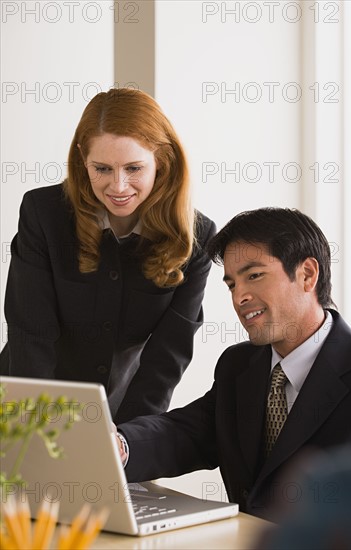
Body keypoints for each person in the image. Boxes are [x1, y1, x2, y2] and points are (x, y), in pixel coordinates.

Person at [116, 207, 351, 520]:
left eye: (254, 275)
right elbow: (191, 433)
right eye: (232, 284)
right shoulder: (238, 365)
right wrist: (121, 445)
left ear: (307, 275)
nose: (239, 297)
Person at [0, 88, 216, 423]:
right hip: (27, 409)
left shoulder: (196, 238)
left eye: (134, 168)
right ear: (82, 159)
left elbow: (165, 361)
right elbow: (31, 333)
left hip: (114, 416)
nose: (118, 186)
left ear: (162, 161)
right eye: (102, 169)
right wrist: (36, 433)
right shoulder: (43, 214)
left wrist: (131, 442)